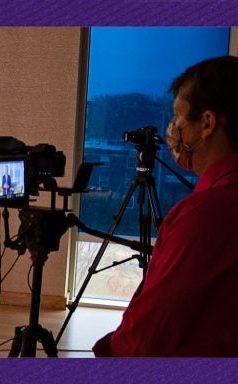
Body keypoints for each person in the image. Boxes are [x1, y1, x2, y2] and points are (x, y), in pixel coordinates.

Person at [93, 56, 238, 357]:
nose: (173, 129)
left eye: (179, 116)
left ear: (207, 123)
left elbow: (147, 337)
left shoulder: (205, 215)